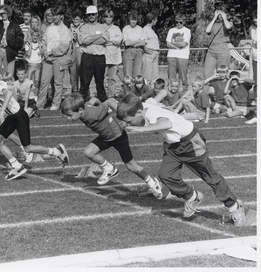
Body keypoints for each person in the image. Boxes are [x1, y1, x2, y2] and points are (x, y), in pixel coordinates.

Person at [116, 93, 246, 226]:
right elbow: (157, 97)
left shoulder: (150, 114)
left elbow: (166, 123)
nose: (127, 124)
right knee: (165, 175)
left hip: (191, 142)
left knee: (210, 176)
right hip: (173, 145)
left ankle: (234, 207)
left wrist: (140, 129)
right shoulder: (144, 105)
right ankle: (192, 197)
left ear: (139, 112)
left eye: (129, 121)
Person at [60, 93, 164, 195]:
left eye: (70, 115)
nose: (69, 119)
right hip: (106, 137)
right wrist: (101, 105)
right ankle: (109, 168)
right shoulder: (86, 107)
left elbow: (110, 101)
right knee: (89, 152)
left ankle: (153, 183)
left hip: (118, 137)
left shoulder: (93, 114)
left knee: (131, 166)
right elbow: (94, 99)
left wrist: (121, 117)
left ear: (80, 110)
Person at [37, 6, 72, 110]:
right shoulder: (49, 28)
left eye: (57, 15)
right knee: (44, 82)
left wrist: (51, 53)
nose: (55, 17)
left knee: (58, 83)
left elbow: (64, 47)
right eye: (54, 15)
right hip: (47, 59)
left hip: (59, 59)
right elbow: (43, 41)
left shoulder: (64, 29)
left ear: (61, 16)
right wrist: (45, 54)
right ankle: (40, 104)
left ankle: (56, 104)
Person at [79, 5, 110, 103]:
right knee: (84, 81)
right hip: (87, 56)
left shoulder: (103, 27)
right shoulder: (83, 27)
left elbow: (105, 39)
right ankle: (81, 102)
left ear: (97, 14)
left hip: (100, 57)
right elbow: (84, 40)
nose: (91, 16)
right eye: (89, 14)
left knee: (100, 81)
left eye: (93, 14)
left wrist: (91, 39)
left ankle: (103, 101)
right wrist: (98, 36)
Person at [203, 1, 233, 79]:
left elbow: (229, 27)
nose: (219, 14)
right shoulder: (213, 23)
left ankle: (221, 90)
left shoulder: (228, 22)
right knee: (207, 74)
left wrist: (224, 18)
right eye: (217, 12)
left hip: (223, 49)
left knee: (222, 74)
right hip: (211, 49)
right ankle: (208, 89)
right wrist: (214, 18)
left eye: (221, 12)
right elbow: (207, 30)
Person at [166, 13, 191, 89]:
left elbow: (183, 44)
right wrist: (177, 46)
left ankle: (183, 91)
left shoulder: (187, 31)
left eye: (180, 22)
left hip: (183, 56)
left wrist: (172, 43)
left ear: (184, 22)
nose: (178, 24)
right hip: (171, 56)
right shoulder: (171, 30)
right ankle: (171, 92)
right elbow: (168, 44)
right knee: (171, 77)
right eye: (176, 22)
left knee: (183, 77)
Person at [103, 9, 123, 98]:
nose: (108, 19)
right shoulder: (100, 27)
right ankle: (102, 96)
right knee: (102, 78)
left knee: (112, 78)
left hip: (114, 57)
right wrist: (112, 41)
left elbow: (119, 41)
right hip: (103, 55)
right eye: (106, 17)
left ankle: (110, 96)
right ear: (104, 18)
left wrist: (109, 41)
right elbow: (100, 40)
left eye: (110, 17)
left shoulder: (116, 28)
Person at [122, 11, 145, 78]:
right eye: (132, 19)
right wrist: (137, 41)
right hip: (128, 51)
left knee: (137, 74)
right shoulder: (125, 29)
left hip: (138, 51)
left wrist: (134, 44)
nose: (133, 21)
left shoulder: (140, 29)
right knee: (127, 74)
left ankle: (136, 88)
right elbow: (127, 43)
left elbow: (143, 42)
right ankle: (128, 88)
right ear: (129, 20)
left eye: (135, 20)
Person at [141, 12, 160, 85]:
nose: (157, 21)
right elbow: (143, 42)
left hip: (155, 53)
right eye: (156, 19)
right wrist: (147, 51)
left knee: (154, 76)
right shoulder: (145, 29)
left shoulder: (151, 29)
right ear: (152, 20)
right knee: (147, 76)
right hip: (149, 53)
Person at [69, 10, 84, 94]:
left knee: (82, 71)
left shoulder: (84, 28)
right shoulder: (70, 28)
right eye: (74, 19)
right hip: (72, 50)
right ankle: (74, 91)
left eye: (77, 19)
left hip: (80, 50)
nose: (75, 21)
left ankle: (83, 91)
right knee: (72, 72)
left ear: (81, 20)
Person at [24, 30, 43, 95]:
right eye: (33, 36)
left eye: (36, 36)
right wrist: (30, 46)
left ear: (38, 37)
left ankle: (36, 96)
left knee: (37, 82)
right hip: (30, 64)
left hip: (38, 64)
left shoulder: (40, 44)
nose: (35, 37)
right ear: (31, 36)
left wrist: (40, 46)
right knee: (29, 81)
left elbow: (41, 54)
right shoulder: (28, 44)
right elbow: (28, 54)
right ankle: (28, 96)